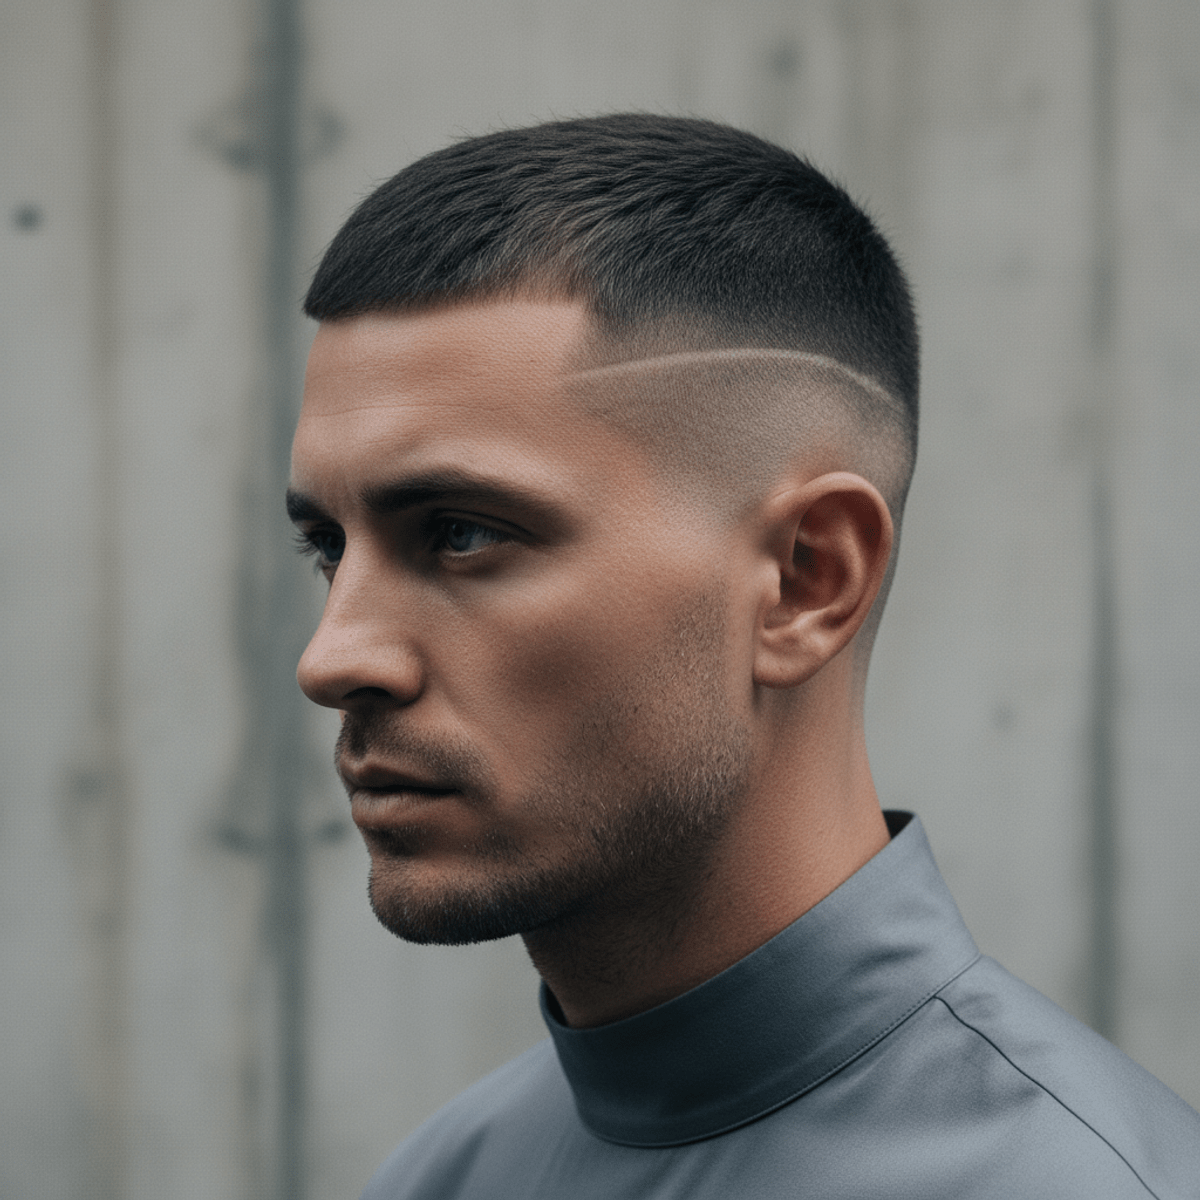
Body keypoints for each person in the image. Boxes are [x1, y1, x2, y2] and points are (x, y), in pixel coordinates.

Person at [287, 114, 1200, 1198]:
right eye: (329, 547)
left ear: (808, 580)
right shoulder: (441, 1176)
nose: (334, 655)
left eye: (462, 532)